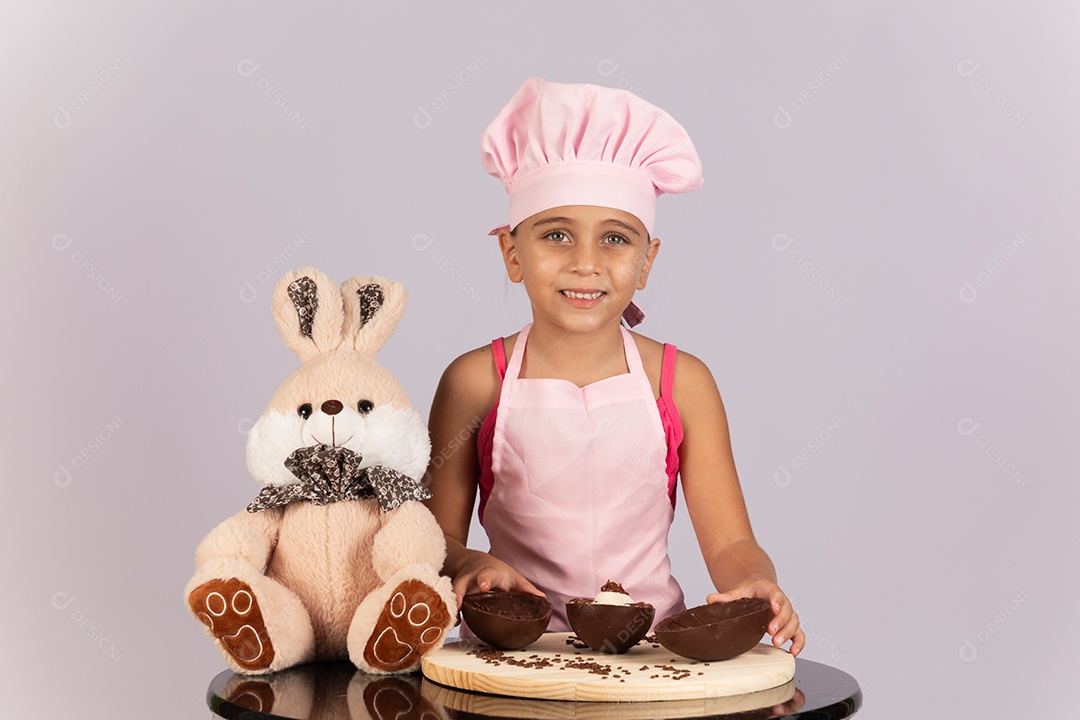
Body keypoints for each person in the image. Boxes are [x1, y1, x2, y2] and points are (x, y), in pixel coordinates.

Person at [424, 77, 804, 655]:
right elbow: (433, 538)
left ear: (647, 260)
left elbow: (729, 542)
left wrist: (754, 584)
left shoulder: (684, 383)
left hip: (650, 656)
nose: (585, 264)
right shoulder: (475, 381)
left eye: (615, 240)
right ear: (511, 253)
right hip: (513, 655)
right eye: (556, 235)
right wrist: (471, 561)